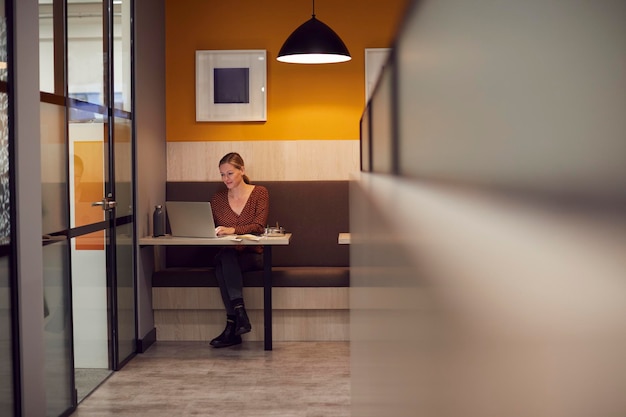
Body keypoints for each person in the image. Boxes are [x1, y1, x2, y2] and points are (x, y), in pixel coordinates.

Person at [209, 152, 269, 348]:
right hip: (228, 254)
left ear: (242, 170)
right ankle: (239, 314)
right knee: (225, 257)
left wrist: (233, 230)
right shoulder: (217, 199)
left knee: (222, 265)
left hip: (253, 255)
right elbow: (211, 227)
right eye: (222, 175)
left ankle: (232, 325)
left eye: (230, 173)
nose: (226, 179)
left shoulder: (259, 192)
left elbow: (259, 225)